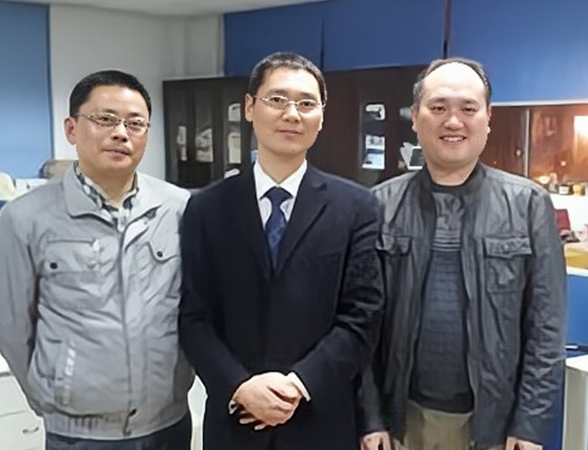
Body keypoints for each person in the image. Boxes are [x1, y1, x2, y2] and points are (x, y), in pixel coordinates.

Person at [179, 52, 384, 450]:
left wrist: (299, 385)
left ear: (321, 117)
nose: (292, 114)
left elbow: (363, 315)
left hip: (320, 420)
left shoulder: (356, 207)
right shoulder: (207, 207)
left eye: (306, 103)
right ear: (249, 107)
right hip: (235, 423)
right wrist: (239, 386)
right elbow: (193, 315)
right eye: (277, 99)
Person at [358, 58, 566, 450]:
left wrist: (529, 426)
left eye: (468, 108)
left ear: (488, 118)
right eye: (438, 107)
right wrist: (370, 418)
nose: (453, 121)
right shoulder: (378, 205)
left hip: (492, 428)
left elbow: (546, 329)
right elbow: (362, 326)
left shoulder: (528, 205)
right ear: (415, 118)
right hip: (402, 423)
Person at [0, 70, 194, 449]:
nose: (121, 133)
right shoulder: (25, 217)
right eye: (105, 119)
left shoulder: (179, 208)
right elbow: (9, 323)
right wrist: (50, 397)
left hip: (168, 423)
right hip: (79, 433)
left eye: (135, 123)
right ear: (71, 129)